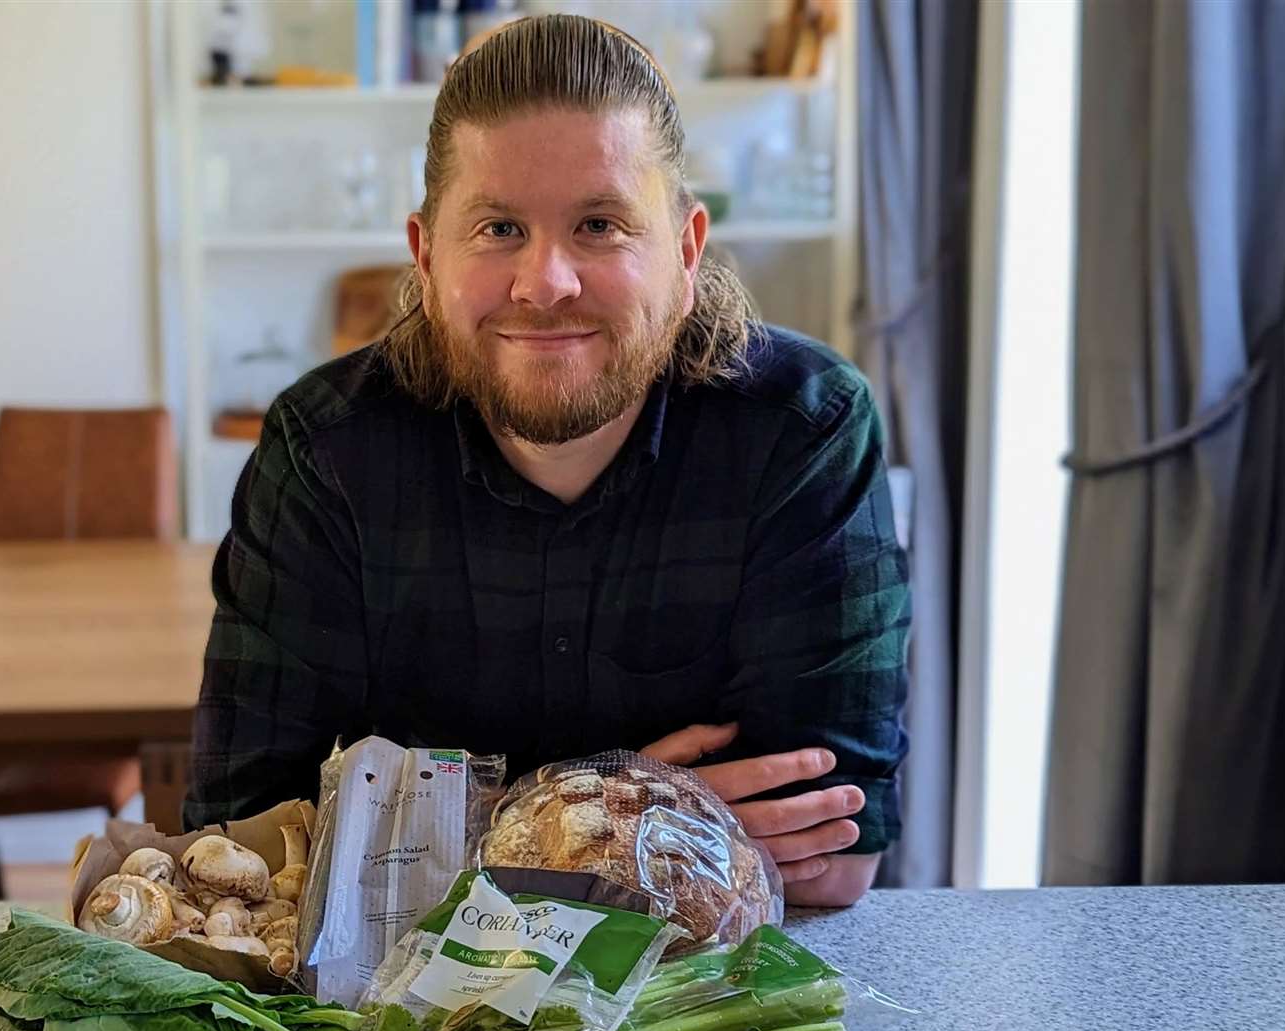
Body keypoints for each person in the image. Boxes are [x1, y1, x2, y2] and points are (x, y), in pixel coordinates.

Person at [185, 14, 910, 908]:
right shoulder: (327, 448)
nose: (545, 283)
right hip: (404, 1019)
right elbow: (239, 841)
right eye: (497, 229)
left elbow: (830, 854)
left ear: (684, 253)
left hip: (725, 1009)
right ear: (425, 255)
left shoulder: (804, 430)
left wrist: (429, 844)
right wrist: (618, 822)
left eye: (601, 225)